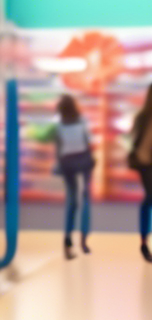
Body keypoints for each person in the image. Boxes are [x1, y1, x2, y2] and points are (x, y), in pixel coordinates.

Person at [55, 95, 95, 260]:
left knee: (71, 201)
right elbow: (89, 142)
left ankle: (67, 240)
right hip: (83, 161)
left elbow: (59, 148)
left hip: (67, 163)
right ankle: (84, 240)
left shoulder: (59, 126)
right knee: (85, 198)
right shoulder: (82, 121)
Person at [128, 84, 152, 263]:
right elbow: (133, 139)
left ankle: (144, 241)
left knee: (148, 199)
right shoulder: (143, 117)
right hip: (146, 164)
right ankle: (144, 241)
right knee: (149, 198)